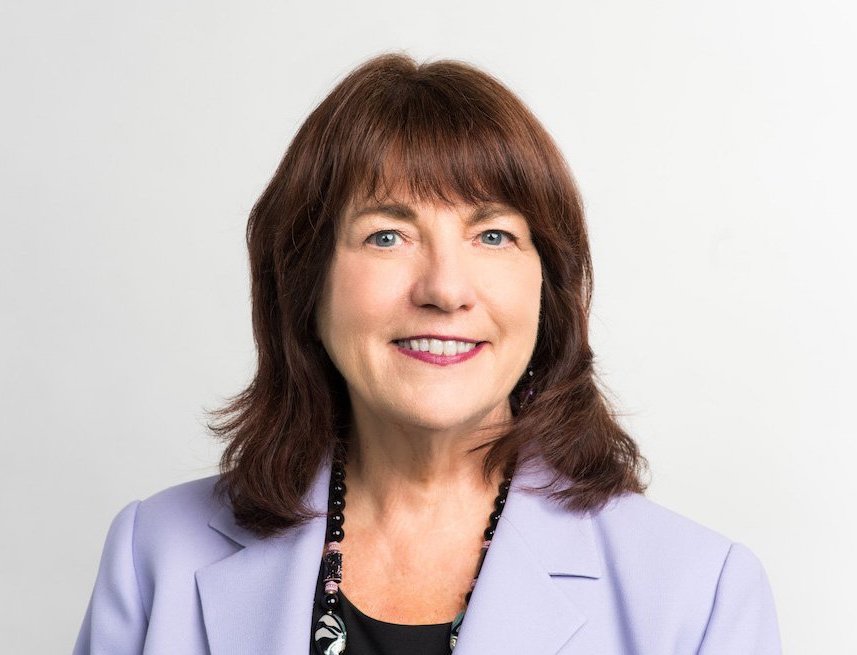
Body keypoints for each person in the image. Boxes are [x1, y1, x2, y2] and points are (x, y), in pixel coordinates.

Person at [73, 53, 782, 655]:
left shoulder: (699, 595)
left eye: (493, 234)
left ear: (549, 288)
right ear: (304, 280)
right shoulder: (153, 556)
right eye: (387, 235)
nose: (445, 288)